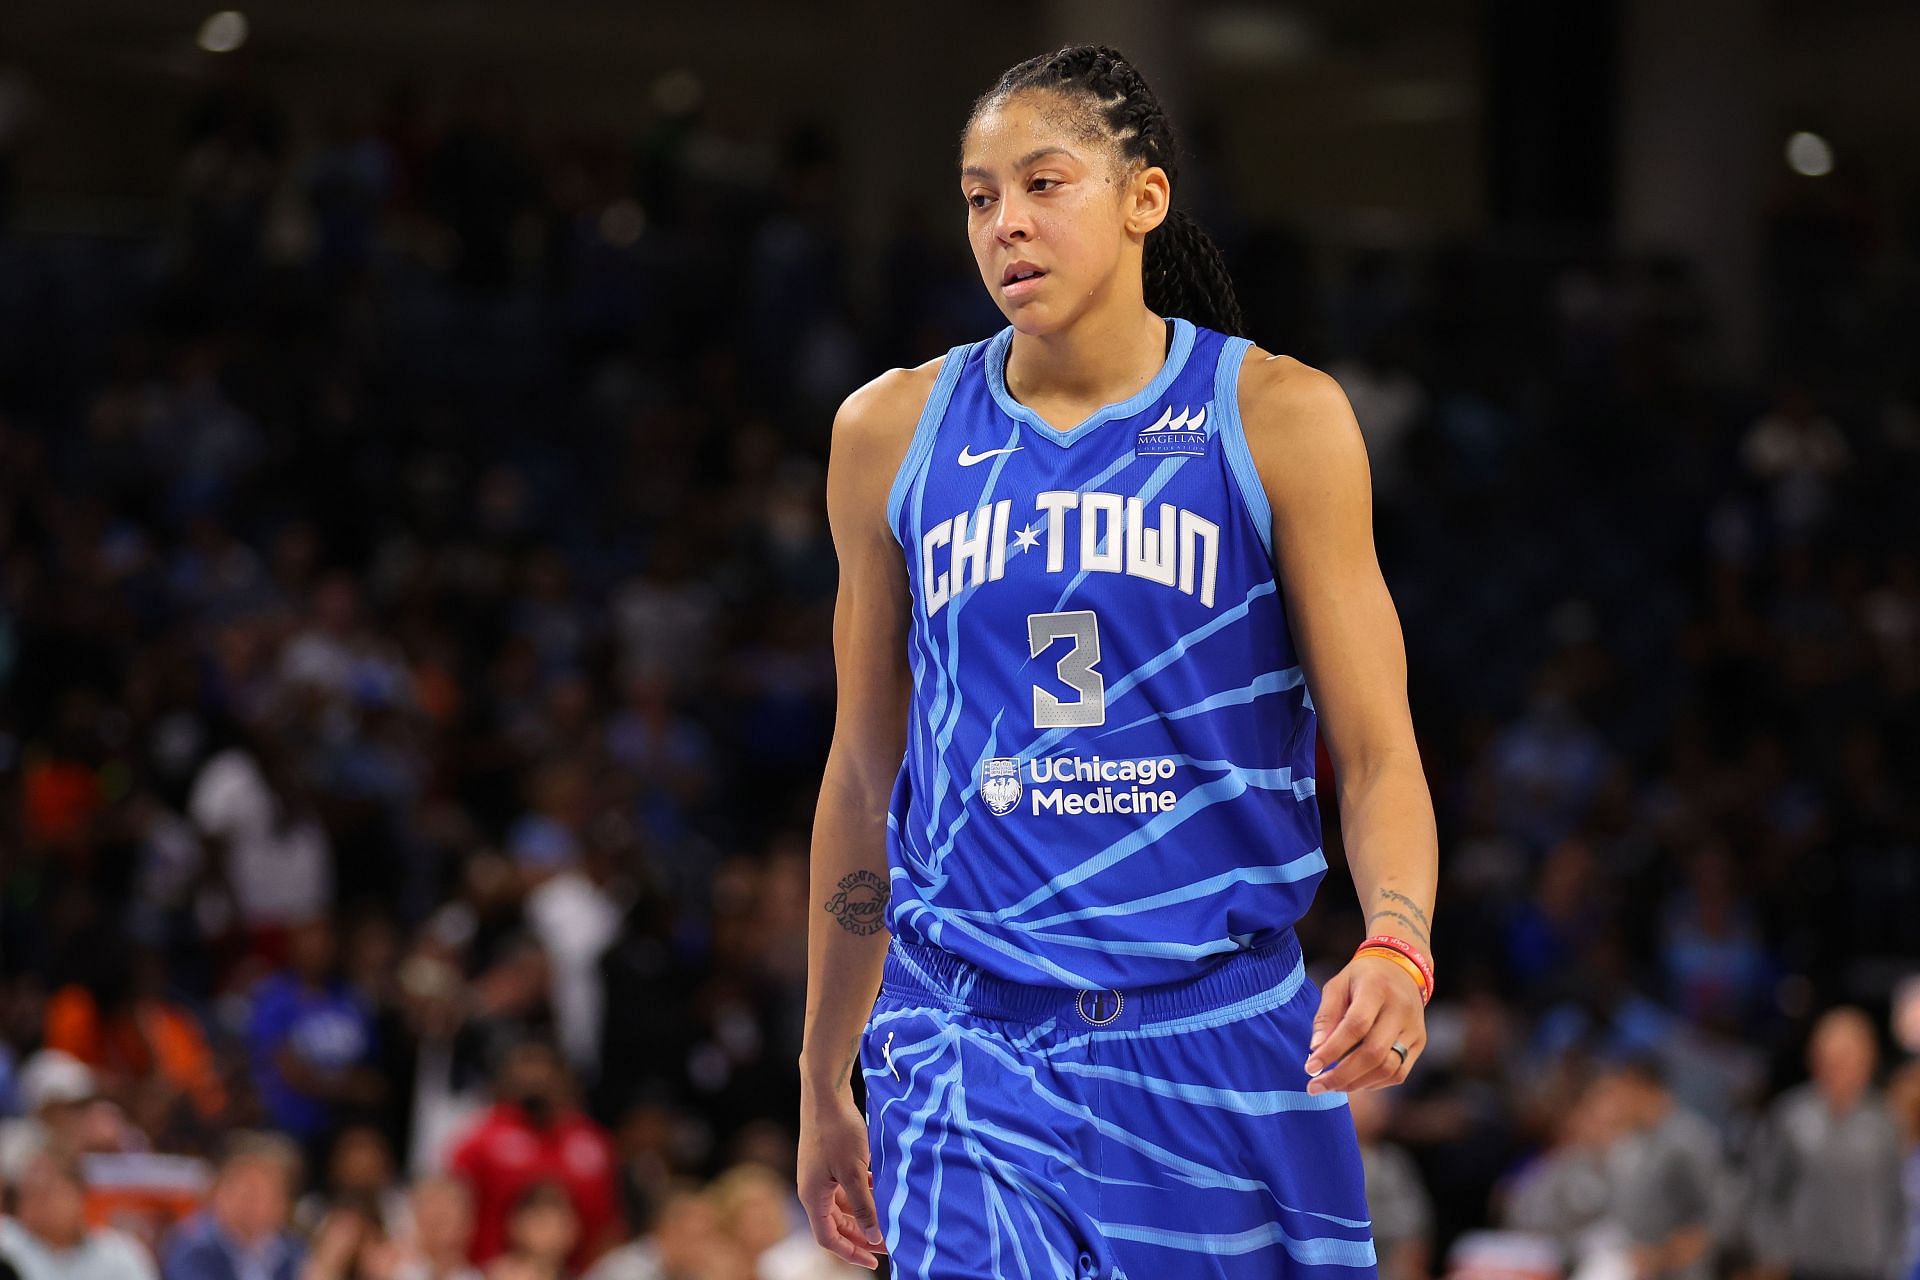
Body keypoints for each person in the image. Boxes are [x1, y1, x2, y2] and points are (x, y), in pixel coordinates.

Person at [796, 43, 1437, 1280]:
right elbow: (860, 774)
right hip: (966, 1036)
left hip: (1217, 1041)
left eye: (1045, 184)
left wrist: (1397, 940)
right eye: (981, 196)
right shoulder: (888, 432)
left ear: (1144, 198)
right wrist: (828, 1070)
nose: (1007, 225)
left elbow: (1376, 751)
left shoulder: (1280, 419)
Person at [1748, 1007, 1907, 1280]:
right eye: (1830, 1058)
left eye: (1847, 1058)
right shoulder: (1790, 1116)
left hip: (1867, 1266)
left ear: (1867, 1059)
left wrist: (1893, 1259)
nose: (1839, 1068)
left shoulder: (1886, 1122)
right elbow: (1765, 1190)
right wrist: (1772, 1253)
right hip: (1802, 1264)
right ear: (1814, 1059)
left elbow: (1897, 1199)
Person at [445, 1041, 618, 1272]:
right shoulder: (480, 1140)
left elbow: (608, 1227)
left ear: (563, 1077)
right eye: (526, 1066)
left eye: (544, 1067)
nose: (535, 1076)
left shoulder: (594, 1145)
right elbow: (455, 1215)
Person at [160, 1133, 305, 1280]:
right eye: (241, 1188)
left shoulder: (295, 1253)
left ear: (283, 1203)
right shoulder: (190, 1246)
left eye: (259, 1192)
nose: (247, 1202)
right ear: (216, 1192)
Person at [0, 1144, 157, 1280]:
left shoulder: (120, 1254)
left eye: (47, 1191)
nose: (35, 1202)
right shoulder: (6, 1244)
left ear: (80, 1193)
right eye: (27, 1193)